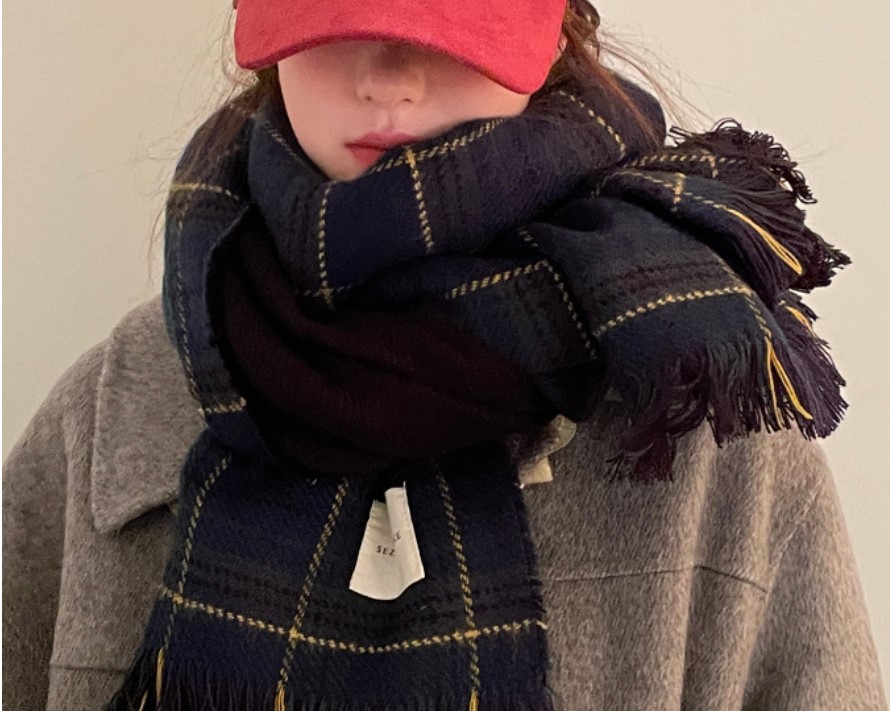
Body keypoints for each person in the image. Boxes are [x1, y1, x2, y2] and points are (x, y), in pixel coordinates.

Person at [3, 0, 887, 709]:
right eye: (337, 16)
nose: (390, 77)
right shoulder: (109, 411)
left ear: (558, 28)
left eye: (446, 18)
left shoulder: (704, 399)